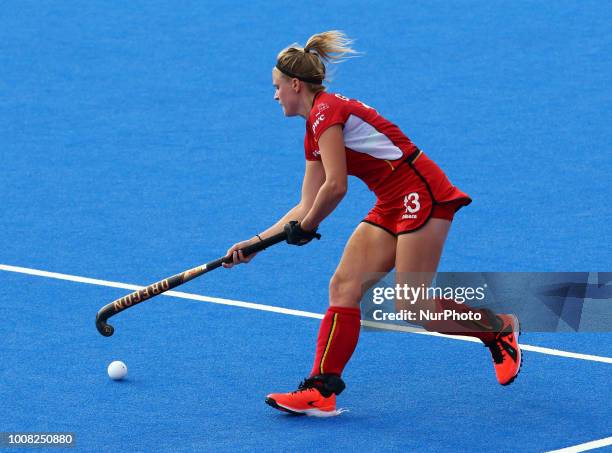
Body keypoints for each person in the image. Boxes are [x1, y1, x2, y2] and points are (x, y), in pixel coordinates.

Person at [223, 31, 521, 417]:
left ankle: (498, 328)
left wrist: (310, 226)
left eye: (277, 87)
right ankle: (320, 390)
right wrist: (255, 244)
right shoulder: (314, 128)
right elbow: (306, 203)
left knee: (413, 305)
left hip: (421, 193)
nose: (275, 95)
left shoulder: (327, 112)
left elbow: (336, 187)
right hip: (391, 200)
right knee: (344, 286)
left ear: (295, 84)